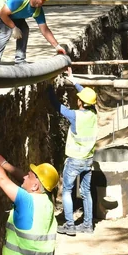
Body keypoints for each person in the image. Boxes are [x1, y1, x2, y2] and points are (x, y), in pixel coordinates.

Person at [47, 71, 98, 236]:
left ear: (79, 102)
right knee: (86, 192)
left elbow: (58, 106)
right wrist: (74, 80)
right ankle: (88, 224)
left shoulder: (75, 115)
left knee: (67, 190)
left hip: (75, 160)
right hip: (88, 160)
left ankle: (70, 225)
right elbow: (86, 96)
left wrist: (48, 88)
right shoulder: (94, 114)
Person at [0, 0, 66, 65]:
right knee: (6, 31)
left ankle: (20, 60)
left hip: (9, 14)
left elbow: (44, 30)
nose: (41, 2)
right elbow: (3, 14)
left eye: (44, 0)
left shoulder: (38, 10)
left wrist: (57, 46)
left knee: (24, 29)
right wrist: (14, 27)